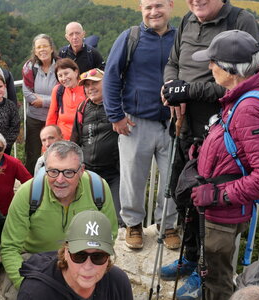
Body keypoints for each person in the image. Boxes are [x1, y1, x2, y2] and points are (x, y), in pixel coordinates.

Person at [159, 0, 259, 297]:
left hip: (222, 136)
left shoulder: (242, 22)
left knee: (212, 208)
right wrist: (171, 86)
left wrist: (189, 90)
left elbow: (248, 79)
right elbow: (173, 62)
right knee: (187, 199)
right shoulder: (187, 21)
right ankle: (190, 257)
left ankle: (205, 273)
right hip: (186, 128)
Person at [189, 30, 259, 299]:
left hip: (223, 214)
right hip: (221, 211)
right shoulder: (242, 95)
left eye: (214, 62)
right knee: (214, 272)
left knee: (217, 279)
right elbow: (237, 147)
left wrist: (219, 194)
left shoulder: (249, 107)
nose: (209, 67)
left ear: (232, 69)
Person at [0, 141, 118, 299]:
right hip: (37, 260)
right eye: (53, 171)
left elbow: (109, 236)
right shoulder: (28, 193)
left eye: (69, 172)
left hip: (82, 258)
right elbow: (10, 248)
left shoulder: (98, 190)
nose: (60, 180)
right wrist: (31, 287)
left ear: (81, 170)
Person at [103, 0, 178, 249]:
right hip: (135, 122)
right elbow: (111, 76)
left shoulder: (181, 39)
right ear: (141, 9)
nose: (153, 12)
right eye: (148, 7)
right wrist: (115, 116)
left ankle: (167, 226)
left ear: (170, 6)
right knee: (133, 178)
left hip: (172, 123)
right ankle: (133, 225)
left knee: (172, 178)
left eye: (159, 5)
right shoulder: (130, 37)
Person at [18, 210, 133, 299]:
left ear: (108, 258)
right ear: (66, 253)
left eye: (98, 257)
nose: (88, 266)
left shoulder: (117, 283)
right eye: (79, 256)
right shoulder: (36, 293)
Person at [71, 68, 122, 225]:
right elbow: (75, 139)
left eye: (94, 83)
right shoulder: (82, 108)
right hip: (88, 173)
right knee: (84, 218)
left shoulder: (118, 104)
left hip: (115, 173)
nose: (90, 88)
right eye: (86, 85)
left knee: (117, 219)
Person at [22, 33, 59, 175]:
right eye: (39, 47)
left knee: (55, 152)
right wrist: (51, 98)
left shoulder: (60, 66)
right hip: (34, 119)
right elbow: (28, 94)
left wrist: (43, 101)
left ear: (51, 48)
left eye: (45, 46)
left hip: (54, 119)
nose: (42, 50)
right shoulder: (29, 68)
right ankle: (31, 184)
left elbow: (62, 92)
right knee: (32, 154)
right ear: (35, 50)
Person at [0, 131, 32, 216]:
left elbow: (30, 183)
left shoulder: (14, 163)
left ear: (4, 148)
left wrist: (22, 201)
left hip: (7, 213)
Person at [45, 58, 86, 141]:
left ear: (76, 72)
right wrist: (47, 141)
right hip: (63, 142)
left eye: (66, 73)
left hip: (84, 140)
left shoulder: (86, 88)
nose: (64, 78)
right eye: (60, 76)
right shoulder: (58, 91)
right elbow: (51, 118)